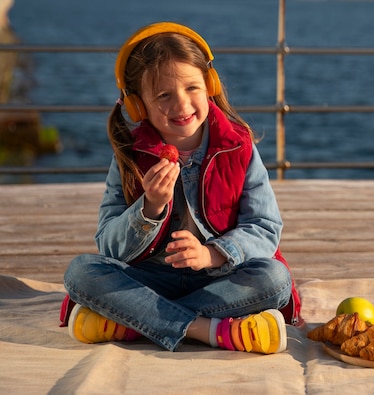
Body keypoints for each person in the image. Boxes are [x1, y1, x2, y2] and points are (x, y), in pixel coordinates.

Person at [60, 22, 300, 354]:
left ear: (210, 85)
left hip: (218, 279)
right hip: (150, 277)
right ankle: (208, 330)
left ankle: (134, 320)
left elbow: (265, 226)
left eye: (191, 88)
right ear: (138, 105)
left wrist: (212, 254)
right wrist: (149, 209)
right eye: (163, 95)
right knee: (81, 273)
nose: (181, 104)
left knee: (274, 279)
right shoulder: (130, 155)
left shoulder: (237, 145)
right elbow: (108, 246)